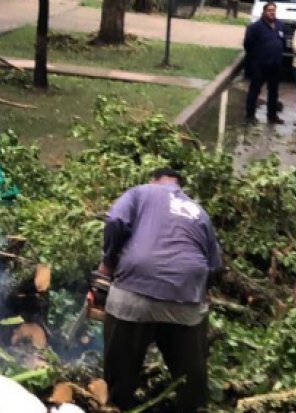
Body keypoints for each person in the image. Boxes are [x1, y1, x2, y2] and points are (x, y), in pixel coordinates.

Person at [97, 168, 223, 413]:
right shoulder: (199, 212)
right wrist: (198, 290)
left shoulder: (140, 192)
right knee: (190, 381)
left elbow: (115, 221)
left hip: (135, 291)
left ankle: (116, 403)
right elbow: (215, 266)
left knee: (118, 381)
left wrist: (109, 261)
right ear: (179, 185)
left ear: (153, 179)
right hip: (187, 299)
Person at [243, 2, 286, 126]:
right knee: (255, 90)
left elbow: (281, 42)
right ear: (264, 12)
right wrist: (255, 58)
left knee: (273, 91)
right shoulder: (255, 27)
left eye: (274, 10)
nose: (272, 12)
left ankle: (272, 115)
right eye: (269, 10)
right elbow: (248, 44)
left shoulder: (279, 25)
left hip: (275, 64)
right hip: (260, 65)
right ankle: (250, 115)